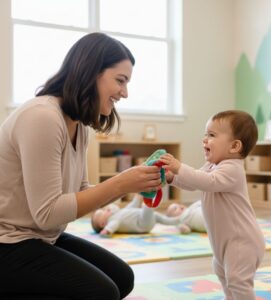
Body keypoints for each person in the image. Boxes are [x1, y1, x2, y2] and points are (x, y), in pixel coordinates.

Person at [0, 32, 162, 300]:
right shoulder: (41, 117)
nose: (125, 92)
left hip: (39, 237)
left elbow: (82, 191)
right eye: (120, 81)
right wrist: (122, 182)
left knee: (122, 278)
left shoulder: (80, 124)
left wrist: (134, 184)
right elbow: (49, 213)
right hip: (7, 243)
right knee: (101, 292)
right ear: (91, 72)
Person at [160, 110, 265, 300]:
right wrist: (172, 177)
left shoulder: (233, 169)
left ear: (234, 146)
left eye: (212, 135)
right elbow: (193, 182)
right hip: (222, 241)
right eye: (205, 134)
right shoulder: (211, 166)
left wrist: (179, 167)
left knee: (237, 281)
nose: (204, 140)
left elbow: (208, 181)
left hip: (242, 240)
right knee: (222, 273)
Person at [91, 194, 181, 235]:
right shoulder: (113, 221)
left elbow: (131, 208)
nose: (107, 210)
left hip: (143, 217)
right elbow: (113, 225)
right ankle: (152, 200)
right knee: (146, 206)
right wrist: (107, 230)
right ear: (103, 223)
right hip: (142, 223)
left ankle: (179, 221)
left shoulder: (119, 213)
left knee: (163, 218)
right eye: (104, 212)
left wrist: (137, 199)